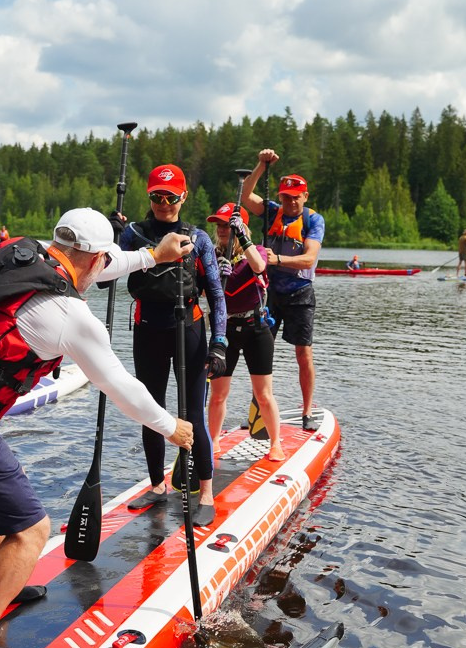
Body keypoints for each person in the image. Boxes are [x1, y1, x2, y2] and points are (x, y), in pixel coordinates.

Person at [0, 208, 195, 648]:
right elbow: (122, 389)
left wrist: (152, 256)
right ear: (92, 258)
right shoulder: (70, 316)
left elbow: (104, 262)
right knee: (31, 530)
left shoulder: (24, 255)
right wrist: (170, 427)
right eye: (102, 261)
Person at [119, 164, 228, 523]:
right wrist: (111, 241)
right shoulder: (133, 234)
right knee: (150, 411)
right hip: (148, 328)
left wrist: (220, 342)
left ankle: (207, 493)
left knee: (192, 414)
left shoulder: (198, 238)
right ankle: (157, 485)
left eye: (170, 196)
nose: (163, 203)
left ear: (183, 196)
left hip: (189, 330)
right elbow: (104, 280)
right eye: (156, 196)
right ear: (148, 196)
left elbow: (215, 291)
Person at [240, 149, 325, 430]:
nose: (289, 202)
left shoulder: (314, 220)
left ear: (305, 196)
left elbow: (309, 258)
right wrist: (261, 166)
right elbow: (245, 197)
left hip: (300, 293)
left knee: (304, 354)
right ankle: (257, 414)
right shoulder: (273, 211)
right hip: (270, 292)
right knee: (261, 350)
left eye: (295, 197)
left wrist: (275, 259)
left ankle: (307, 411)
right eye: (286, 196)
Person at [205, 203, 285, 462]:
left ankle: (275, 443)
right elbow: (207, 292)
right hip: (224, 329)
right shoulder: (213, 254)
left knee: (263, 394)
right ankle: (213, 441)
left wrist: (244, 238)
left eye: (227, 225)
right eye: (219, 225)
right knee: (218, 395)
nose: (222, 229)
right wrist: (215, 272)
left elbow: (260, 267)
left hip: (256, 328)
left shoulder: (256, 249)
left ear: (239, 227)